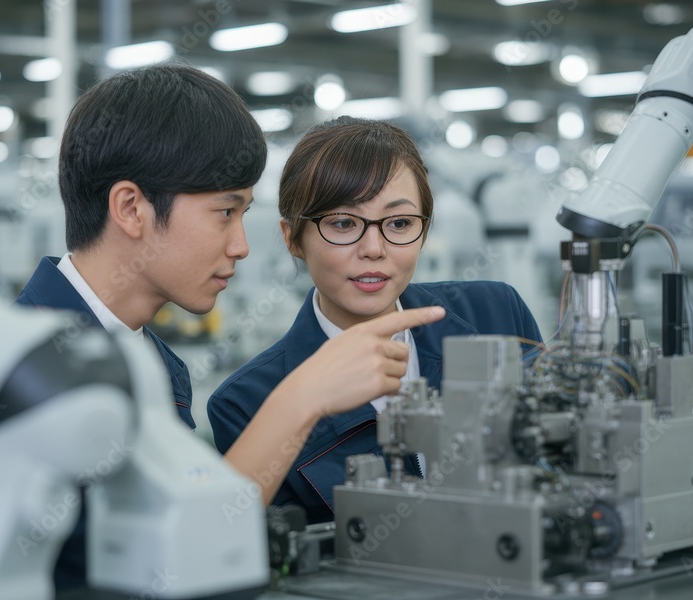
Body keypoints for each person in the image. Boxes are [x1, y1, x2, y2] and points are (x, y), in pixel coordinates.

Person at [0, 66, 444, 590]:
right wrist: (299, 399)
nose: (241, 246)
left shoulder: (158, 368)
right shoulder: (6, 369)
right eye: (225, 212)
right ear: (132, 208)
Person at [208, 116, 542, 524]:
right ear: (292, 237)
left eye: (399, 223)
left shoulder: (494, 314)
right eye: (343, 223)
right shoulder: (246, 402)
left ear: (424, 230)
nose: (373, 248)